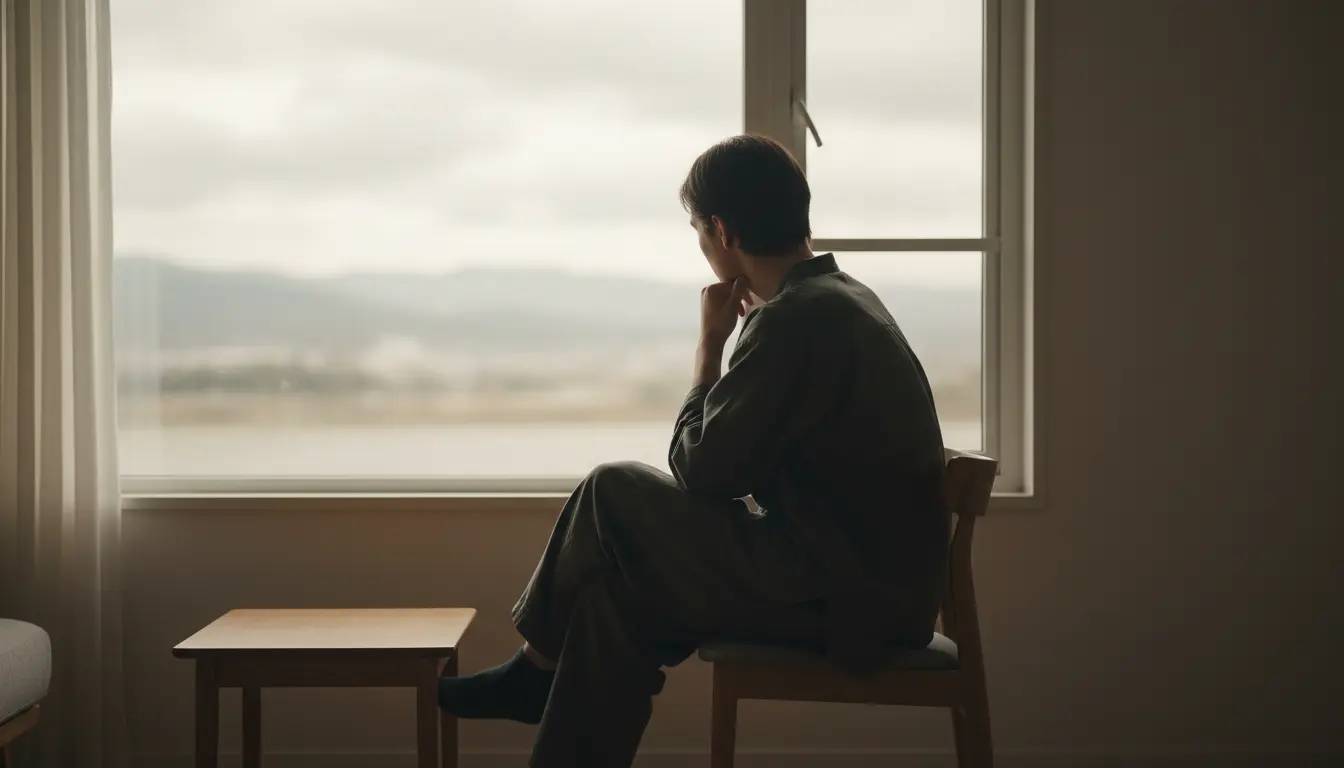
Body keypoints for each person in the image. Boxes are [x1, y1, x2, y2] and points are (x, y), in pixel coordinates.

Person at [437, 134, 949, 767]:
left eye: (698, 231)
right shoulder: (843, 296)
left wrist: (708, 352)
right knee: (611, 601)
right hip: (872, 587)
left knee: (612, 488)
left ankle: (534, 669)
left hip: (846, 602)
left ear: (722, 230)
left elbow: (705, 472)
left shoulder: (794, 321)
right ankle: (536, 685)